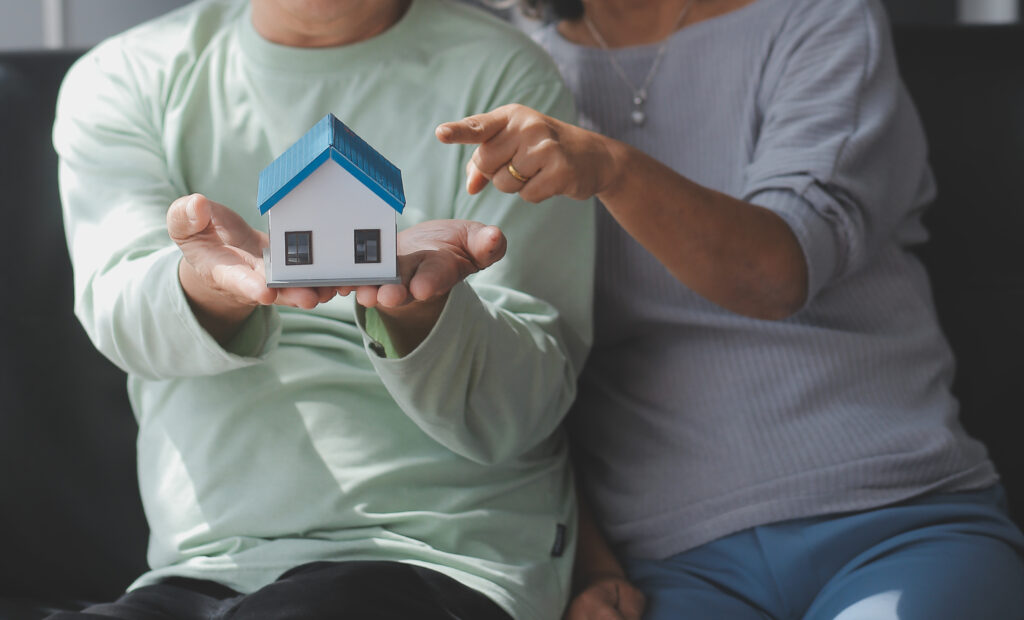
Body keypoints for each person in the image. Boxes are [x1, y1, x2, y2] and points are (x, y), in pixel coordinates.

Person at [436, 0, 1024, 617]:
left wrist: (613, 168)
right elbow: (530, 364)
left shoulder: (819, 17)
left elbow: (774, 276)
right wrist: (590, 559)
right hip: (668, 561)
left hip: (891, 515)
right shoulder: (512, 65)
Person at [51, 0, 595, 618]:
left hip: (438, 555)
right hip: (203, 565)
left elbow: (527, 402)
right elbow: (122, 312)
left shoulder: (504, 76)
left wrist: (417, 308)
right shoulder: (127, 76)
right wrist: (211, 286)